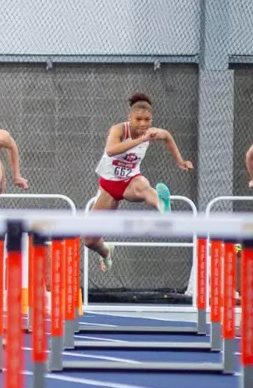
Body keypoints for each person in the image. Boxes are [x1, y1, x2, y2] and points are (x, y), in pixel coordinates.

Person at [83, 92, 193, 267]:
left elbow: (168, 137)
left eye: (147, 120)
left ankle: (162, 206)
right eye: (138, 119)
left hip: (130, 182)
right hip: (108, 187)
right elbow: (111, 150)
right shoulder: (119, 129)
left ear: (152, 119)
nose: (143, 124)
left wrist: (181, 161)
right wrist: (141, 140)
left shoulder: (153, 132)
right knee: (89, 240)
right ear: (130, 118)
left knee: (143, 186)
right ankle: (106, 251)